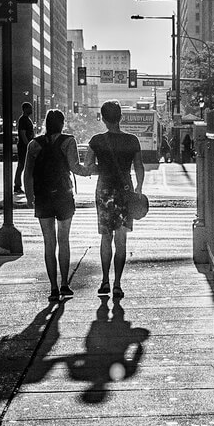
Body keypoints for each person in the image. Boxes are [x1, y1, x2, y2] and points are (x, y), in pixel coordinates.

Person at [23, 109, 92, 301]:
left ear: (46, 123)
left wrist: (30, 197)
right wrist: (92, 169)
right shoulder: (68, 142)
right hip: (63, 195)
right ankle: (64, 284)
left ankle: (53, 287)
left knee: (49, 242)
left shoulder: (34, 144)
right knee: (64, 240)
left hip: (43, 197)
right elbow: (75, 168)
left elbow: (27, 173)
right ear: (62, 124)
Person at [84, 100, 145, 300]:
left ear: (102, 118)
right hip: (125, 192)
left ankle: (104, 281)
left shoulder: (96, 140)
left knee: (105, 237)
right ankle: (118, 283)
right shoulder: (132, 140)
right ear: (121, 117)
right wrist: (138, 188)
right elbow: (139, 167)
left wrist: (101, 168)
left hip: (104, 191)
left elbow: (88, 166)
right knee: (121, 239)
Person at [13, 101, 35, 194]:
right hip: (23, 147)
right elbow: (22, 134)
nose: (31, 110)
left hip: (25, 146)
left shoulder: (26, 119)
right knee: (21, 165)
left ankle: (20, 185)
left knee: (24, 166)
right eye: (30, 108)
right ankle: (17, 185)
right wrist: (28, 145)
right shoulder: (23, 120)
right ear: (25, 109)